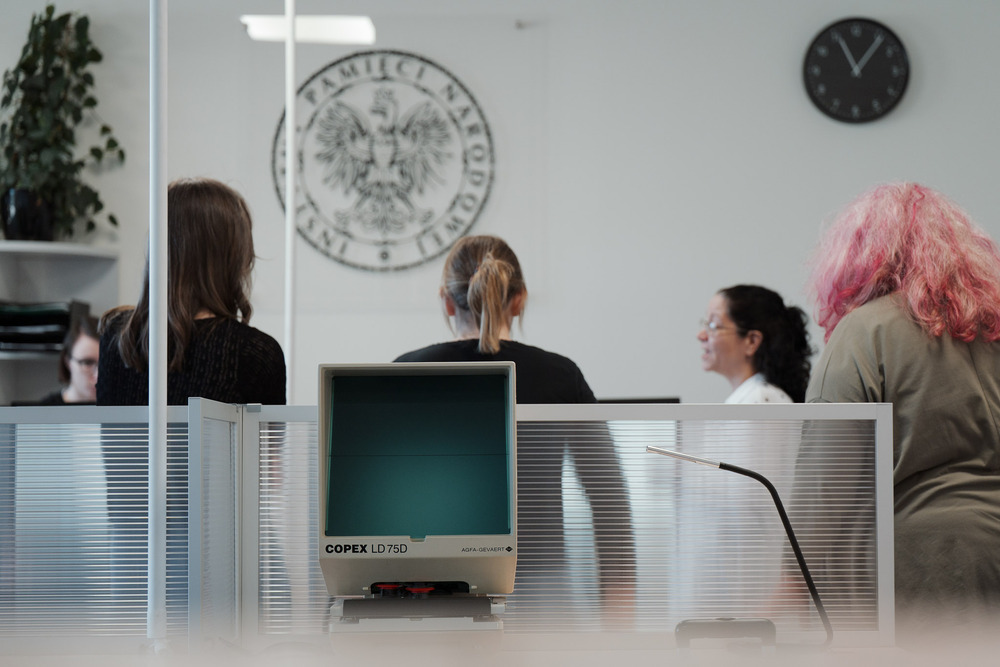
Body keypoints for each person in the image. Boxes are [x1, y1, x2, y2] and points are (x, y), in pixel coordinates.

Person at [394, 235, 635, 622]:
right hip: (541, 588)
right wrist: (620, 610)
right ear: (519, 299)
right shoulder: (560, 375)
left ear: (446, 300)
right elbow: (608, 494)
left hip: (429, 588)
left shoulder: (406, 372)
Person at [806, 182, 1000, 642]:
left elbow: (823, 485)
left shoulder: (865, 332)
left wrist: (786, 589)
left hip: (926, 567)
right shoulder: (992, 330)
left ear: (857, 257)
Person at [97, 177, 285, 406]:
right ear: (232, 258)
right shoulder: (253, 353)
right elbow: (268, 442)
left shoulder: (119, 337)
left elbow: (112, 440)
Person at [698, 284, 812, 403]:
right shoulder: (755, 396)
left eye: (713, 325)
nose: (701, 335)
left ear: (752, 341)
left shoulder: (761, 399)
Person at [36, 315, 100, 405]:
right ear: (68, 362)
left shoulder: (120, 409)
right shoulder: (44, 412)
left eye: (105, 364)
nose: (98, 376)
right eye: (87, 363)